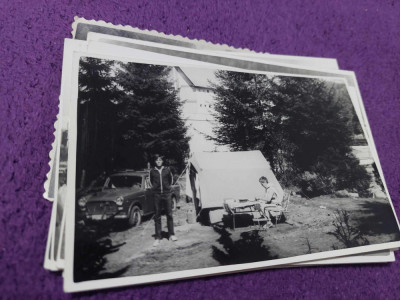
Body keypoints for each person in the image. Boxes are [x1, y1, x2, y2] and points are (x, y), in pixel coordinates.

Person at [149, 154, 177, 247]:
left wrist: (168, 188)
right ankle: (158, 237)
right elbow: (150, 181)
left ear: (162, 161)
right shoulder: (152, 171)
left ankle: (171, 234)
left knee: (169, 214)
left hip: (167, 194)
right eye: (157, 160)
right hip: (157, 195)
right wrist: (154, 189)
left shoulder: (167, 170)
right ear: (155, 162)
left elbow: (171, 180)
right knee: (157, 216)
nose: (158, 162)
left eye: (160, 160)